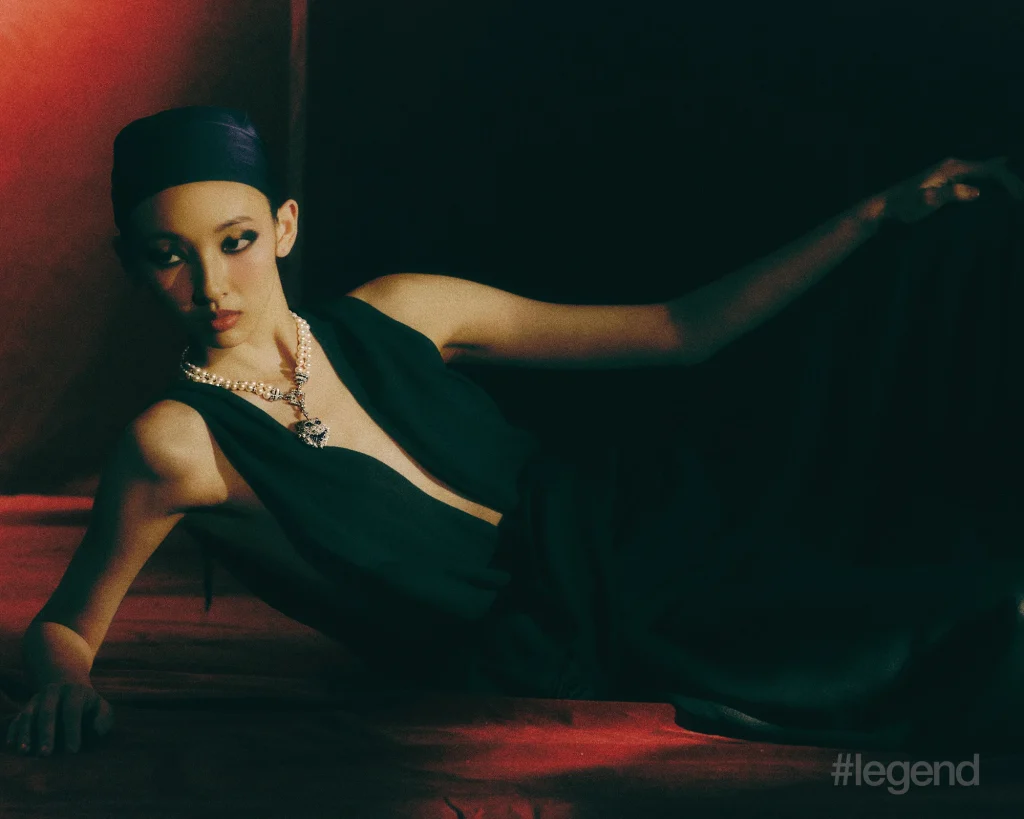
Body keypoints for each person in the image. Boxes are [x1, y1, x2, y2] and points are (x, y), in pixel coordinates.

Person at [5, 106, 1023, 758]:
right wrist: (62, 682)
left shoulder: (405, 309)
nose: (212, 283)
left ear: (284, 227)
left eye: (235, 241)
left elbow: (680, 330)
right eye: (169, 256)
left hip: (641, 533)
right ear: (133, 266)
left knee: (922, 551)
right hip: (558, 647)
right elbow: (67, 623)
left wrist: (874, 217)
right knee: (908, 651)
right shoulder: (174, 444)